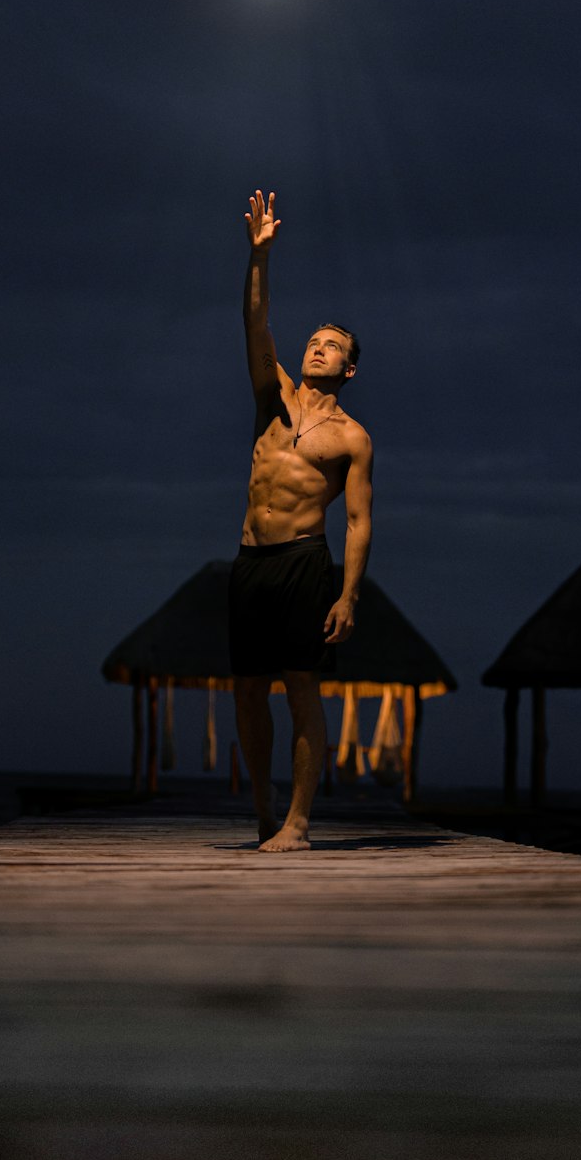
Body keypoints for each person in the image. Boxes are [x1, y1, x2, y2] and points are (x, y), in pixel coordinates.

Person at [230, 188, 373, 851]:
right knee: (248, 691)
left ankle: (299, 823)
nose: (316, 350)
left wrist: (348, 593)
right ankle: (262, 811)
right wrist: (259, 257)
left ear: (349, 366)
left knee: (303, 689)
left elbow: (358, 522)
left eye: (330, 346)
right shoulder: (274, 395)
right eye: (313, 341)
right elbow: (255, 324)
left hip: (303, 562)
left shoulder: (352, 439)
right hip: (251, 559)